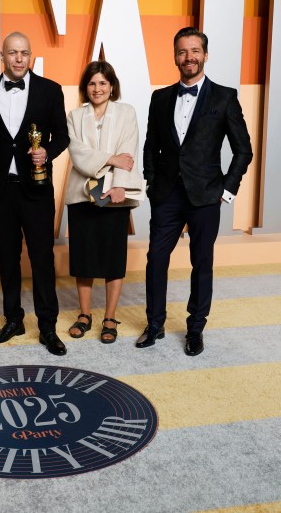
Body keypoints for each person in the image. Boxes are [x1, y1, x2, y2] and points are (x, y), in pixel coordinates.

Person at [137, 27, 253, 356]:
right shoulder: (159, 98)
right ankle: (155, 324)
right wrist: (150, 180)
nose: (189, 57)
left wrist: (226, 191)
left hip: (206, 195)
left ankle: (195, 327)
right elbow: (151, 145)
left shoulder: (224, 96)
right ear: (175, 56)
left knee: (202, 262)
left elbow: (243, 150)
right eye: (182, 52)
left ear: (204, 54)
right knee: (155, 259)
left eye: (195, 51)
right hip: (167, 195)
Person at [0, 32, 70, 356]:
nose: (19, 58)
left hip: (36, 190)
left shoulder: (50, 90)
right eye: (13, 53)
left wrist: (46, 151)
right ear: (2, 55)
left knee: (42, 259)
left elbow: (62, 135)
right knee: (7, 259)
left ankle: (48, 326)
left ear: (30, 56)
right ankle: (13, 319)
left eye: (24, 52)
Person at [64, 61, 144, 344]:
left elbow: (128, 149)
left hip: (116, 194)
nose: (97, 88)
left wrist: (120, 184)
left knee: (113, 258)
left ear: (112, 86)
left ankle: (110, 317)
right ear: (85, 87)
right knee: (83, 258)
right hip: (81, 193)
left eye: (103, 83)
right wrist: (109, 159)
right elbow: (76, 150)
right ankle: (85, 314)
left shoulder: (126, 112)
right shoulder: (74, 115)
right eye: (92, 83)